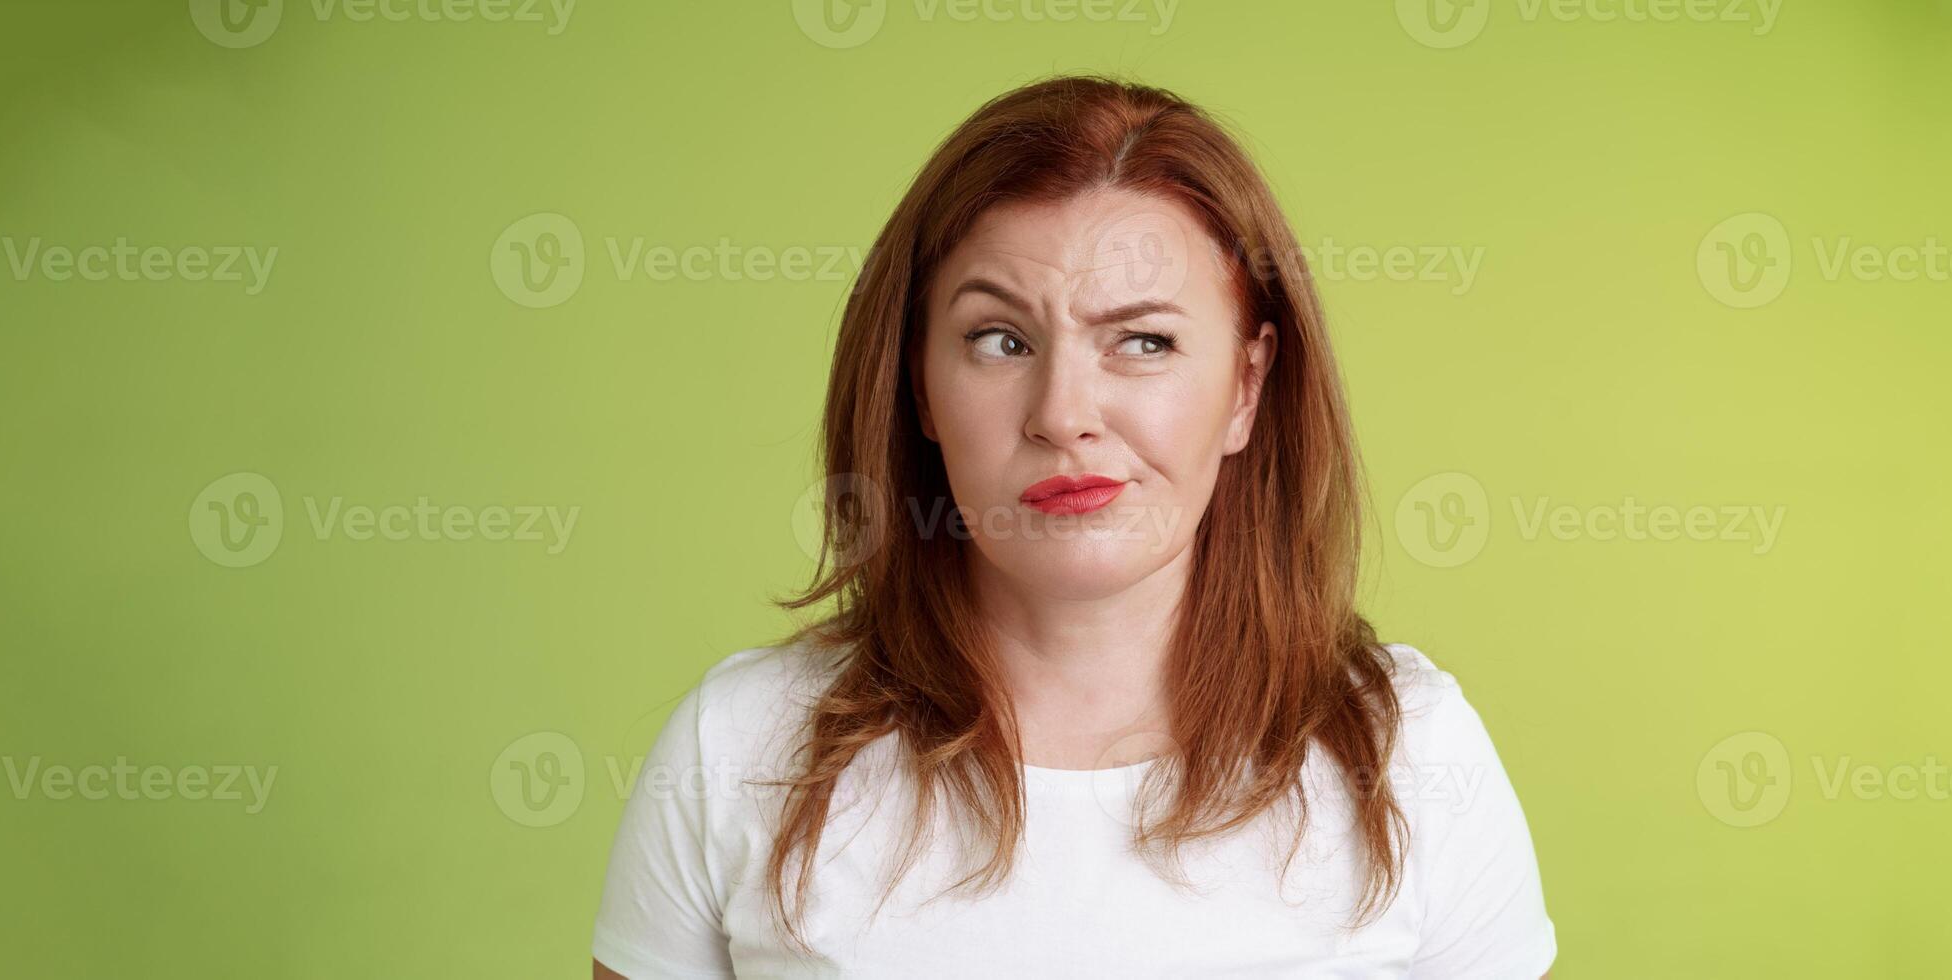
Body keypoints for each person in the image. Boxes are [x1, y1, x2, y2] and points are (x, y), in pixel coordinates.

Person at [592, 75, 1554, 978]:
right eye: (1000, 340)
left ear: (1246, 388)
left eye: (1144, 341)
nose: (1063, 413)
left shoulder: (1414, 755)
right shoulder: (740, 748)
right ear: (920, 384)